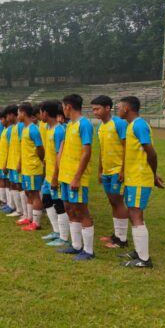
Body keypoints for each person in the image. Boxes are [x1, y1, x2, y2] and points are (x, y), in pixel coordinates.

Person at [117, 96, 164, 268]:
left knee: (136, 215)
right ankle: (138, 251)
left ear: (127, 109)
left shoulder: (139, 125)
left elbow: (151, 153)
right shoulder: (132, 125)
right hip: (132, 178)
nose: (118, 109)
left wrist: (153, 175)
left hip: (139, 178)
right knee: (133, 213)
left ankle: (144, 260)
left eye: (119, 107)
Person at [55, 94, 95, 261]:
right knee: (70, 209)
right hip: (65, 176)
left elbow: (86, 152)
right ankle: (76, 245)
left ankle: (89, 251)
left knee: (81, 210)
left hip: (75, 177)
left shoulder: (84, 124)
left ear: (68, 107)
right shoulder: (70, 125)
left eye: (63, 106)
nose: (63, 110)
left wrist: (77, 177)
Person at [91, 95, 129, 249]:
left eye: (97, 108)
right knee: (112, 201)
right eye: (93, 109)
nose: (95, 112)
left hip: (117, 170)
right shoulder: (100, 126)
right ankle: (117, 235)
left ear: (108, 108)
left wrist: (123, 169)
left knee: (118, 202)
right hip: (107, 171)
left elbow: (127, 146)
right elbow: (102, 150)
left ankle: (122, 240)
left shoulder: (119, 124)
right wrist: (100, 170)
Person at [41, 100, 68, 246]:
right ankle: (56, 231)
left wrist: (56, 177)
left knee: (59, 204)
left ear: (45, 112)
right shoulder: (48, 128)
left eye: (41, 112)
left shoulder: (59, 130)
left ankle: (63, 237)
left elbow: (60, 155)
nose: (40, 115)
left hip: (56, 175)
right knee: (46, 201)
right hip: (49, 174)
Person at [17, 103, 45, 231]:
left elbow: (40, 148)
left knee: (35, 194)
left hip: (33, 167)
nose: (18, 116)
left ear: (23, 113)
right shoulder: (25, 128)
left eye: (18, 113)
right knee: (29, 192)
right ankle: (29, 218)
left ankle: (36, 223)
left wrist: (37, 160)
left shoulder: (33, 129)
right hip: (27, 167)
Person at [4, 105, 26, 218]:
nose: (7, 117)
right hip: (12, 162)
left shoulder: (21, 126)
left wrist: (20, 162)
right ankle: (18, 209)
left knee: (21, 186)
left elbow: (24, 145)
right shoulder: (13, 128)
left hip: (18, 163)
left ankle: (24, 213)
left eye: (8, 115)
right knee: (15, 185)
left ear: (13, 115)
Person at [0, 110, 13, 213]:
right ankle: (7, 202)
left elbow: (10, 147)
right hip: (2, 160)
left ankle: (11, 205)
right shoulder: (5, 130)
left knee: (9, 183)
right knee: (4, 181)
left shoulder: (10, 130)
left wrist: (6, 162)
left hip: (7, 161)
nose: (0, 121)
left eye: (1, 119)